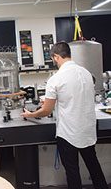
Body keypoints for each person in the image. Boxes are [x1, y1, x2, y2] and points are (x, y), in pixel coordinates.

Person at [21, 42, 108, 189]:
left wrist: (30, 114)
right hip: (88, 132)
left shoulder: (56, 79)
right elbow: (81, 96)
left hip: (69, 135)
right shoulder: (86, 73)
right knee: (94, 168)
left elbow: (46, 111)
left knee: (73, 173)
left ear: (56, 56)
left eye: (53, 58)